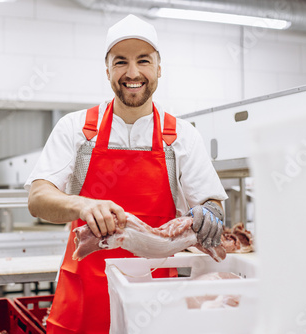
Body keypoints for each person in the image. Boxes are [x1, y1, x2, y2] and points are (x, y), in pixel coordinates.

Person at [25, 14, 228, 334]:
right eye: (121, 62)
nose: (133, 73)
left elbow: (212, 202)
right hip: (84, 297)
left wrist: (210, 212)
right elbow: (38, 198)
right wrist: (83, 206)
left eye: (143, 61)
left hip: (155, 298)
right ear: (107, 70)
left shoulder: (182, 136)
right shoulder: (77, 129)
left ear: (159, 68)